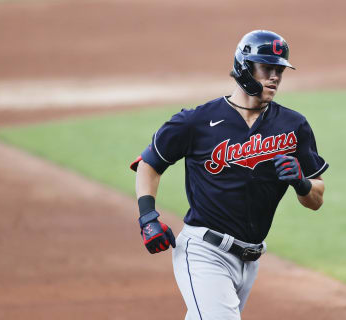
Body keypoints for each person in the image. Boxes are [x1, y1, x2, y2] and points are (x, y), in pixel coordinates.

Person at [130, 30, 329, 320]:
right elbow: (149, 164)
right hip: (204, 251)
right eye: (267, 68)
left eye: (279, 70)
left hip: (251, 260)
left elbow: (316, 198)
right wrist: (148, 217)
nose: (274, 77)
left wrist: (301, 183)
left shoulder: (293, 126)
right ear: (245, 68)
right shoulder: (195, 121)